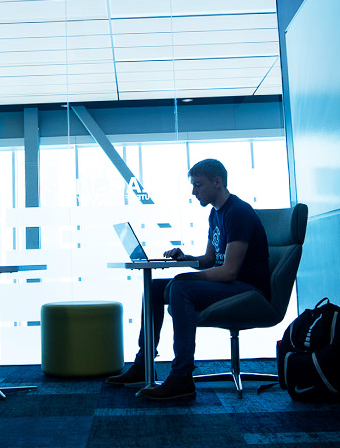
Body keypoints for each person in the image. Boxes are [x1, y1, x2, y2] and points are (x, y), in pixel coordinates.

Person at [106, 158, 270, 401]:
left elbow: (228, 271)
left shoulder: (238, 213)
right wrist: (187, 258)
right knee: (153, 287)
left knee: (181, 288)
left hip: (249, 290)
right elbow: (211, 259)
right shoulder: (216, 215)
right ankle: (144, 364)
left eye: (198, 185)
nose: (193, 192)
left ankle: (182, 376)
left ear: (217, 182)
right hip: (231, 284)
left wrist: (185, 278)